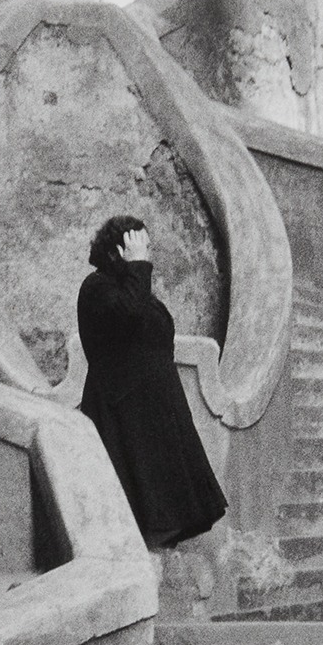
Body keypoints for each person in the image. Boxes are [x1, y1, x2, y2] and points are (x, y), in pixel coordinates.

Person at [77, 214, 227, 550]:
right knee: (138, 505)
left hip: (155, 409)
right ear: (121, 249)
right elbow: (128, 316)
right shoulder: (97, 286)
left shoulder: (132, 287)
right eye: (140, 244)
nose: (148, 252)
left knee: (170, 505)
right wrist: (139, 266)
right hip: (126, 411)